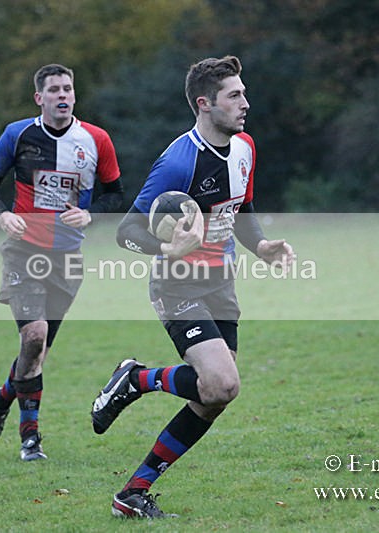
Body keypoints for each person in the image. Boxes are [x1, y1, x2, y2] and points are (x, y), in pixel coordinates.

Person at [91, 55, 294, 518]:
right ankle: (137, 378)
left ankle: (133, 491)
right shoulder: (178, 162)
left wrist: (260, 246)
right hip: (178, 286)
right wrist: (168, 251)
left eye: (243, 92)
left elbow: (241, 210)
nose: (246, 102)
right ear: (205, 104)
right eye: (235, 95)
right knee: (220, 384)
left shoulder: (244, 148)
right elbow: (127, 231)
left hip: (221, 286)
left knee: (215, 396)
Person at [0, 63, 123, 461]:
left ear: (74, 95)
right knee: (34, 336)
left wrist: (92, 215)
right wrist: (2, 214)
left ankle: (2, 398)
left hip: (67, 258)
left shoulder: (96, 139)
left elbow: (116, 195)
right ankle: (30, 440)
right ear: (39, 98)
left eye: (68, 88)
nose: (63, 95)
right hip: (23, 251)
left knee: (36, 353)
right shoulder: (18, 134)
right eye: (54, 89)